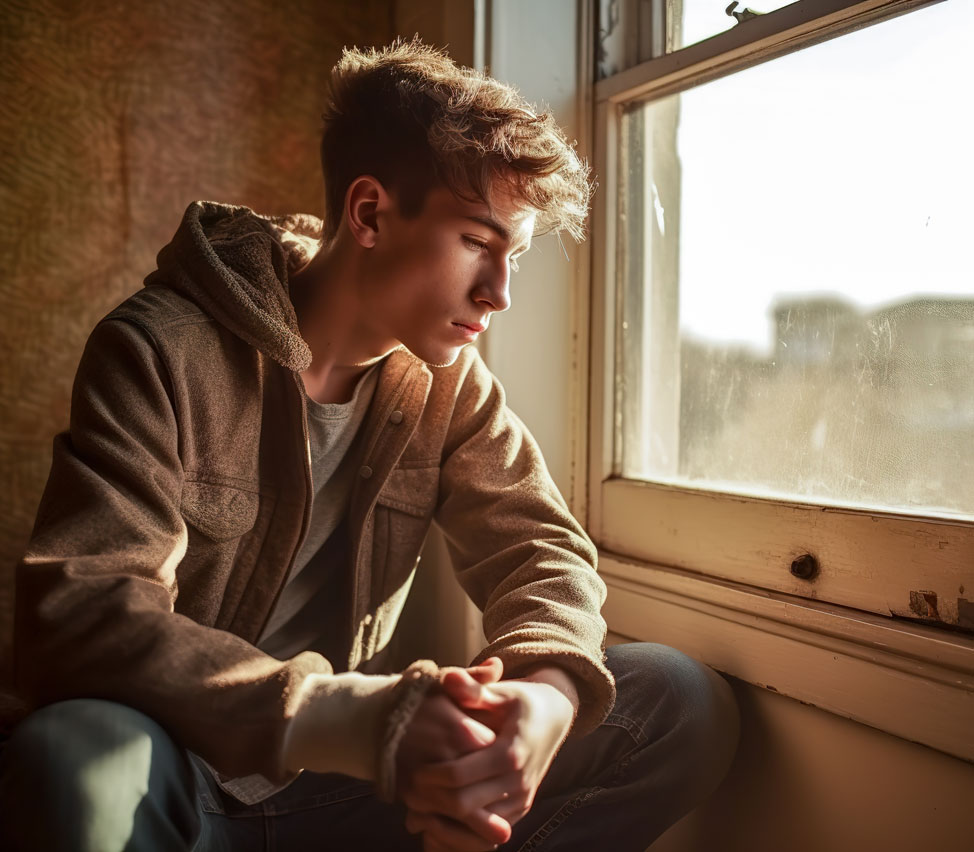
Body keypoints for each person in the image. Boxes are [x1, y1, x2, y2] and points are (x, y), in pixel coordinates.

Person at [0, 39, 738, 851]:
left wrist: (543, 705)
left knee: (673, 698)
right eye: (476, 243)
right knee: (68, 756)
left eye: (513, 257)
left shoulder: (449, 382)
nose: (499, 294)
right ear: (371, 213)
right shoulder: (161, 349)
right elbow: (85, 613)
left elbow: (542, 549)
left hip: (348, 796)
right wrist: (371, 722)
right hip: (184, 781)